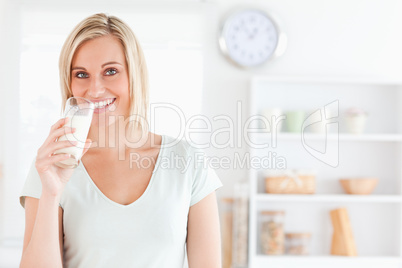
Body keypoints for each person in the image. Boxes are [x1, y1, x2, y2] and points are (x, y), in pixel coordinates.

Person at [19, 13, 222, 268]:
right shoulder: (52, 165)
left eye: (111, 71)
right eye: (81, 74)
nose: (94, 90)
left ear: (134, 75)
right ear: (69, 83)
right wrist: (50, 193)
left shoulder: (188, 162)